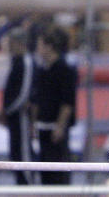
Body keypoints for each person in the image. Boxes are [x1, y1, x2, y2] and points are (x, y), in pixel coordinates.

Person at [31, 27, 77, 185]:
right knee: (45, 173)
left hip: (56, 128)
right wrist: (33, 123)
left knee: (59, 172)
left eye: (39, 45)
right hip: (43, 125)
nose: (37, 49)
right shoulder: (41, 69)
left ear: (49, 46)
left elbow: (67, 102)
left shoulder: (65, 69)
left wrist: (60, 126)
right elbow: (37, 99)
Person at [0, 27, 35, 185]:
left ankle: (28, 186)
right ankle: (20, 185)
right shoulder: (17, 60)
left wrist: (7, 110)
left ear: (20, 43)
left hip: (21, 115)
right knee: (15, 152)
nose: (9, 47)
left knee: (23, 152)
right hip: (13, 114)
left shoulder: (26, 61)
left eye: (11, 43)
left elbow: (24, 92)